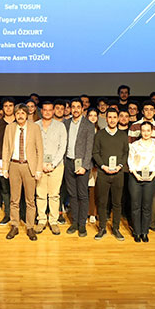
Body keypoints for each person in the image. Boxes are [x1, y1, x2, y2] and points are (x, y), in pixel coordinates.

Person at [2, 104, 43, 241]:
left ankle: (30, 227)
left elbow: (40, 150)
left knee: (30, 200)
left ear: (27, 114)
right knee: (14, 199)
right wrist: (5, 168)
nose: (20, 115)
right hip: (14, 165)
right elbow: (6, 148)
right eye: (18, 113)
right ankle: (14, 225)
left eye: (22, 113)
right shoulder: (9, 128)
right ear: (15, 115)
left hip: (29, 166)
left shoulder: (34, 127)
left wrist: (38, 169)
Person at [92, 108, 128, 241]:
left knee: (117, 203)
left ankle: (116, 228)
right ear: (106, 119)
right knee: (102, 202)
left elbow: (125, 153)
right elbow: (95, 153)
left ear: (118, 119)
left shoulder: (123, 135)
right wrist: (103, 166)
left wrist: (119, 166)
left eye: (114, 117)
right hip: (103, 173)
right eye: (110, 117)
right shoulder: (100, 134)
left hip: (118, 173)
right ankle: (102, 228)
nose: (112, 120)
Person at [62, 98, 96, 237]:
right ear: (70, 109)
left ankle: (82, 224)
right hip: (68, 162)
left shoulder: (88, 125)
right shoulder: (65, 123)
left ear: (82, 109)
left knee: (82, 195)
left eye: (78, 107)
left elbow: (89, 148)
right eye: (73, 107)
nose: (75, 109)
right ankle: (75, 222)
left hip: (82, 164)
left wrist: (85, 166)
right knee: (72, 194)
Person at [35, 101, 67, 235]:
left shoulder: (60, 126)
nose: (47, 112)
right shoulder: (35, 126)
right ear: (41, 111)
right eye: (45, 110)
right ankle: (41, 220)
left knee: (54, 195)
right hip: (39, 166)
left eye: (50, 110)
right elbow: (32, 147)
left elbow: (62, 147)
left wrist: (53, 164)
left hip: (56, 166)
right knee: (40, 195)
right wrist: (40, 164)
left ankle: (53, 221)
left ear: (53, 111)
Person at [128, 121, 155, 242]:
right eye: (143, 130)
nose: (146, 133)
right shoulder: (134, 145)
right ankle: (137, 232)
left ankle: (144, 232)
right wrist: (136, 175)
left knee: (147, 206)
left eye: (148, 130)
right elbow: (130, 161)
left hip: (151, 177)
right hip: (136, 176)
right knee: (135, 205)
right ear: (140, 131)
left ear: (152, 131)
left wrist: (152, 176)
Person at [0, 98, 16, 225]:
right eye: (6, 106)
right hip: (2, 162)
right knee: (5, 190)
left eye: (10, 105)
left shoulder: (20, 123)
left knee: (18, 190)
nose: (8, 108)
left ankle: (20, 214)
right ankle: (8, 214)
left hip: (18, 161)